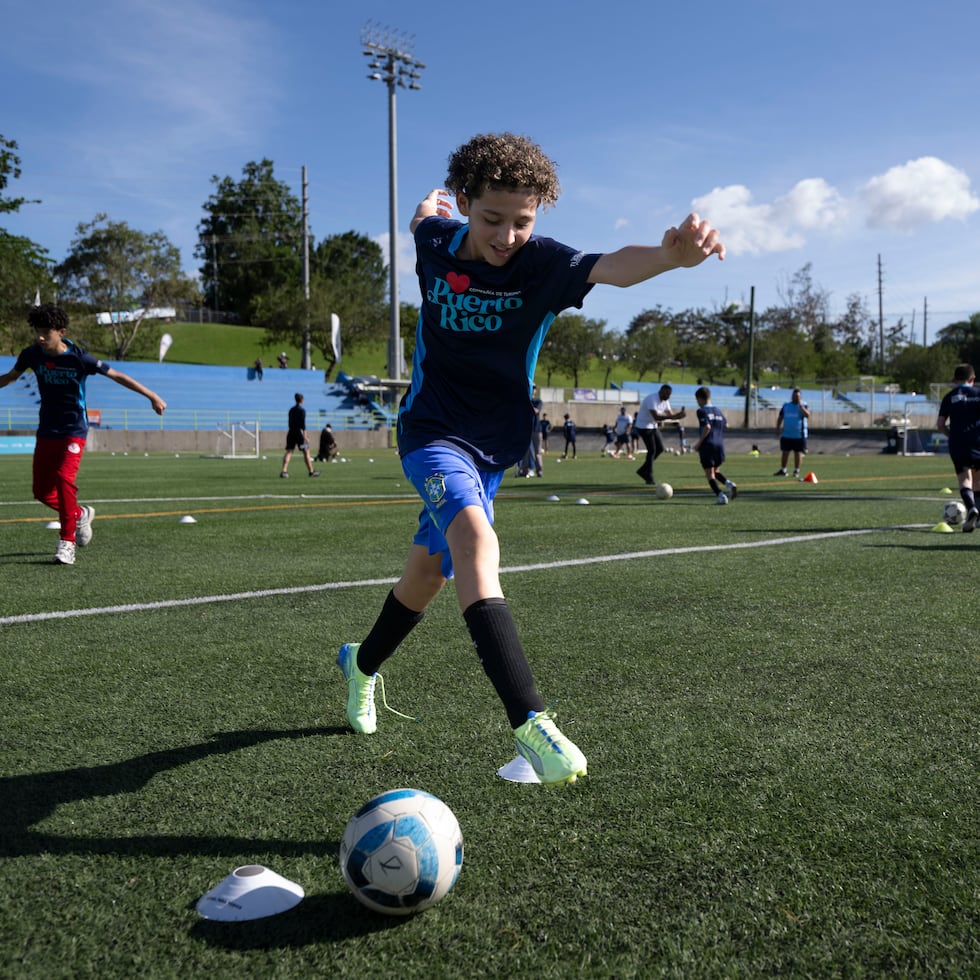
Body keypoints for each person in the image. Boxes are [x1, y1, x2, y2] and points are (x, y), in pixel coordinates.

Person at [335, 132, 724, 786]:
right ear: (465, 204)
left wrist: (669, 258)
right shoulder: (436, 243)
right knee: (475, 541)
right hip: (431, 433)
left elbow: (610, 265)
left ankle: (361, 665)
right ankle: (530, 720)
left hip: (493, 446)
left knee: (426, 579)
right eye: (491, 218)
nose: (507, 234)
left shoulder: (541, 264)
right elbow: (424, 221)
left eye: (523, 220)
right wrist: (428, 211)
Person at [0, 304, 166, 564]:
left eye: (46, 332)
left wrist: (152, 396)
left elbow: (117, 376)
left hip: (74, 430)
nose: (40, 337)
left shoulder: (79, 358)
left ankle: (66, 543)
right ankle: (79, 514)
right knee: (41, 492)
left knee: (63, 478)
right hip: (47, 430)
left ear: (61, 332)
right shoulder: (32, 355)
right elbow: (10, 376)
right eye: (37, 332)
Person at [936, 363, 980, 531]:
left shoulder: (950, 397)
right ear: (972, 379)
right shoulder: (978, 394)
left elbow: (940, 424)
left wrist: (952, 435)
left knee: (965, 479)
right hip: (978, 441)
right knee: (977, 479)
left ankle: (971, 508)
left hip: (959, 443)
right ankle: (978, 513)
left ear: (954, 380)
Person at [693, 386, 737, 504]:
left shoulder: (701, 411)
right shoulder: (718, 410)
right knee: (715, 471)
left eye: (697, 400)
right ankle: (729, 484)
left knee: (709, 474)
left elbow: (707, 427)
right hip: (719, 445)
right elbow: (727, 425)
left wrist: (699, 444)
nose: (697, 403)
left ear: (700, 399)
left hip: (708, 445)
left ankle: (721, 496)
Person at [635, 384, 687, 485]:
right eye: (667, 394)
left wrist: (679, 416)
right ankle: (648, 476)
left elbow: (670, 415)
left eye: (669, 394)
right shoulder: (652, 399)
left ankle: (643, 470)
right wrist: (674, 417)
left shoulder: (665, 401)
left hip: (652, 426)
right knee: (652, 450)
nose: (668, 396)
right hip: (643, 426)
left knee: (660, 449)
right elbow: (656, 417)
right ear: (661, 391)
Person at [280, 392, 320, 478]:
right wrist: (305, 436)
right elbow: (303, 425)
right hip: (299, 433)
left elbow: (289, 422)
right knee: (306, 451)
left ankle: (284, 471)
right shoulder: (302, 411)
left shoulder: (291, 410)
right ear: (302, 400)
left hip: (291, 432)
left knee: (289, 451)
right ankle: (311, 471)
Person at [774, 388, 810, 478]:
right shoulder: (786, 406)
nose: (795, 398)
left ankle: (796, 470)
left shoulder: (804, 405)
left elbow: (808, 415)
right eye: (794, 396)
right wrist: (778, 428)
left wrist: (801, 407)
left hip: (799, 434)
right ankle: (783, 470)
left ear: (800, 397)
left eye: (797, 396)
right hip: (787, 434)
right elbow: (780, 417)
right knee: (785, 452)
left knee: (798, 453)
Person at [529, 385, 544, 477]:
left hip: (536, 429)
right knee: (526, 452)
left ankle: (539, 470)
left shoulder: (538, 401)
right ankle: (526, 469)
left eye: (534, 389)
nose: (533, 390)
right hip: (527, 429)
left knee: (537, 451)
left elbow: (536, 411)